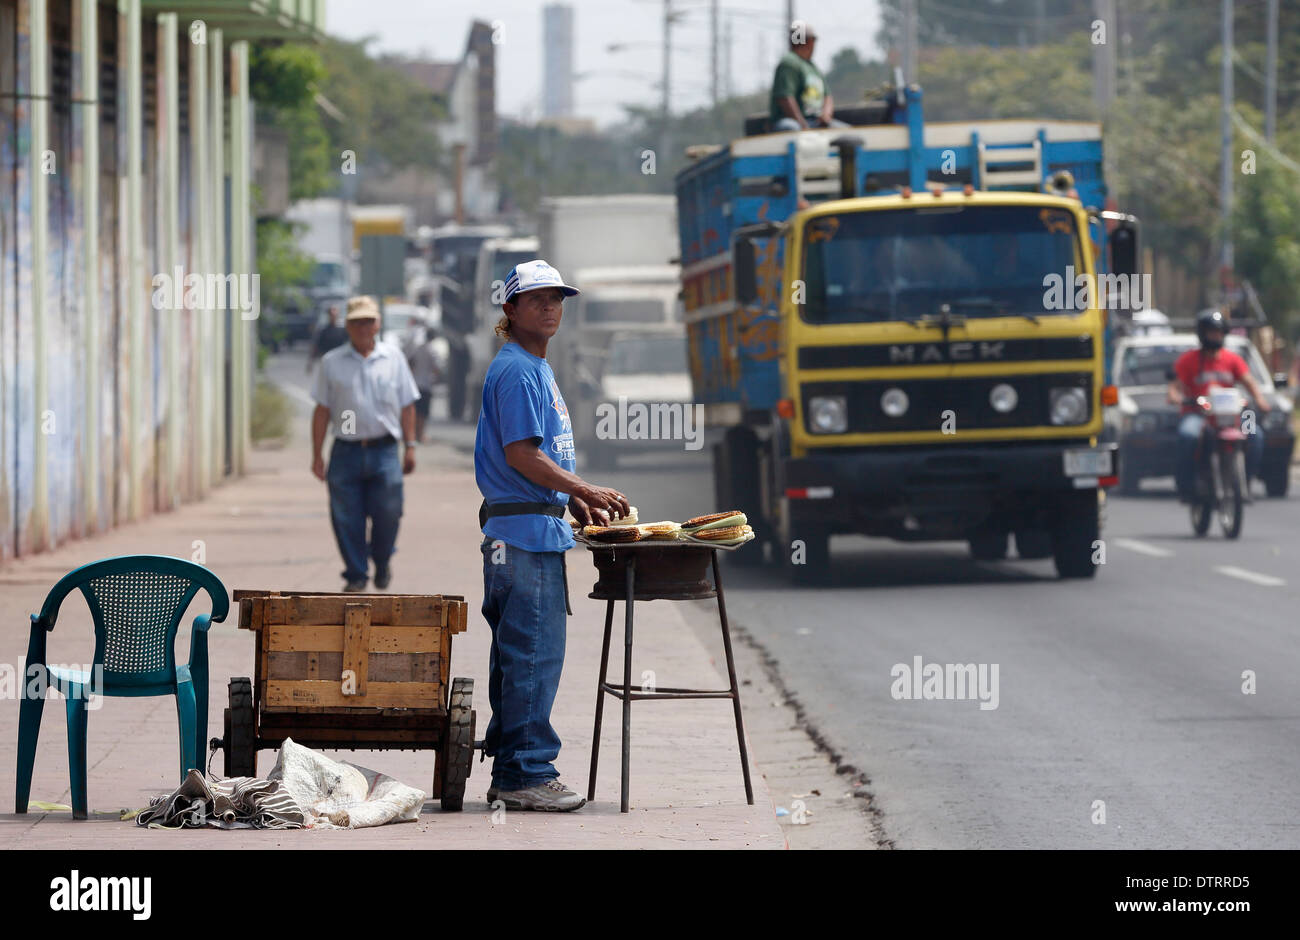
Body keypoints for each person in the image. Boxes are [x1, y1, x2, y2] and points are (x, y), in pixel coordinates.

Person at [475, 259, 631, 812]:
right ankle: (526, 774)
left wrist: (572, 500)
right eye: (537, 298)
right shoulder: (517, 369)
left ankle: (513, 767)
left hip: (531, 529)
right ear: (510, 309)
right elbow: (522, 454)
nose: (549, 307)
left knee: (520, 656)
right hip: (521, 538)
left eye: (557, 298)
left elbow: (535, 461)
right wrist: (582, 488)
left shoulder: (535, 367)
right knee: (533, 656)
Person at [310, 296, 421, 592]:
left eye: (368, 321)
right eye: (357, 321)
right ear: (347, 325)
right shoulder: (331, 362)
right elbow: (322, 410)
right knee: (346, 518)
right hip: (345, 451)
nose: (363, 327)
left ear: (378, 324)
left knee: (389, 511)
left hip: (384, 450)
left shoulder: (393, 358)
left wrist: (410, 445)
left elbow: (408, 405)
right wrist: (316, 454)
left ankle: (382, 560)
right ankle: (356, 574)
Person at [1167, 309, 1269, 502]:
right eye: (1211, 331)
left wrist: (1260, 399)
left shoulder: (1233, 359)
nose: (1215, 335)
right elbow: (1175, 387)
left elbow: (1249, 382)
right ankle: (1187, 485)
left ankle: (1244, 481)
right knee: (1188, 435)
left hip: (1231, 415)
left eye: (1218, 331)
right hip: (1198, 414)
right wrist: (1176, 398)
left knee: (1256, 433)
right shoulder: (1188, 360)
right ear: (1202, 333)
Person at [769, 23, 847, 132]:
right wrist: (802, 124)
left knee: (846, 132)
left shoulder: (812, 67)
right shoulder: (789, 63)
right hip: (792, 121)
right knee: (792, 128)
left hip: (815, 121)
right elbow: (785, 98)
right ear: (809, 41)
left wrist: (825, 115)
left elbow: (827, 96)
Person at [306, 304, 348, 373]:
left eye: (335, 313)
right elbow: (315, 346)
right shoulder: (323, 330)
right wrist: (310, 362)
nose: (333, 315)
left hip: (340, 360)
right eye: (331, 314)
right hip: (327, 360)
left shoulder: (343, 330)